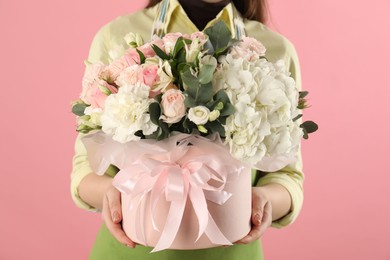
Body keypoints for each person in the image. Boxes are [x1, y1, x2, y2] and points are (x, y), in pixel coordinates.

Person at [71, 0, 304, 259]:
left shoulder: (275, 50)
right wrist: (111, 194)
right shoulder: (117, 37)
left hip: (231, 250)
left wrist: (262, 199)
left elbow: (287, 176)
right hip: (133, 251)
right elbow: (85, 169)